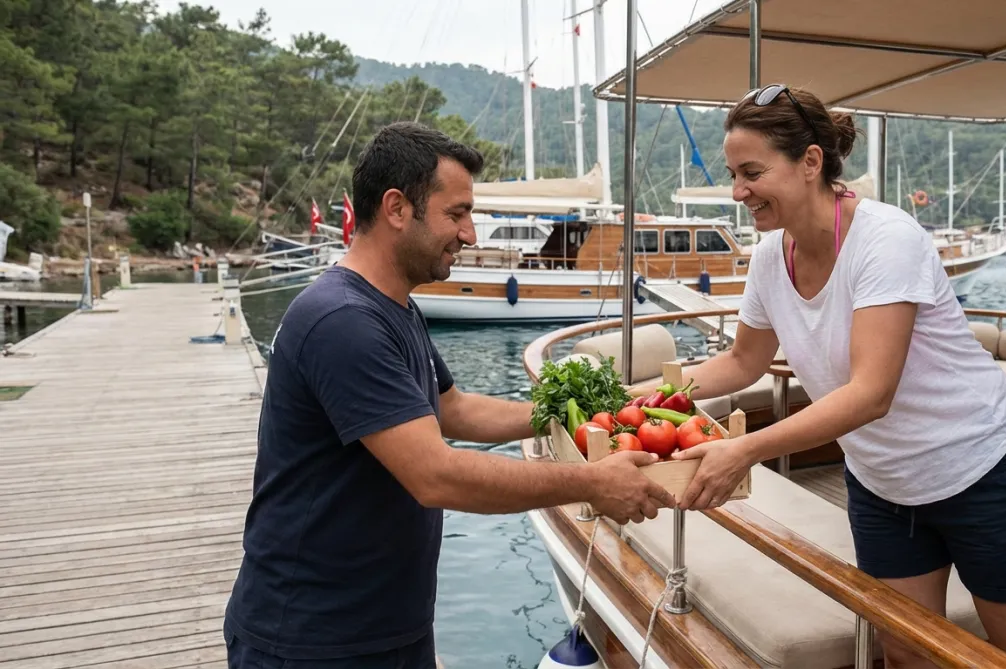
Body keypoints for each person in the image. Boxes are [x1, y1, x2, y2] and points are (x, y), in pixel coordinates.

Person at [632, 85, 1006, 669]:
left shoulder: (885, 240)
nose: (739, 192)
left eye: (751, 173)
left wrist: (743, 450)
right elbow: (743, 362)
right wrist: (640, 396)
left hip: (984, 469)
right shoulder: (769, 257)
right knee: (905, 653)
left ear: (810, 162)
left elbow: (871, 394)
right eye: (733, 174)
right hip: (884, 486)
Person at [223, 121, 674, 668]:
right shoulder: (342, 320)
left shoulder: (394, 307)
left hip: (387, 625)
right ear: (397, 208)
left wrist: (567, 414)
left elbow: (451, 408)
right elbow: (435, 475)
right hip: (312, 638)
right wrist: (591, 483)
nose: (470, 234)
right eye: (456, 214)